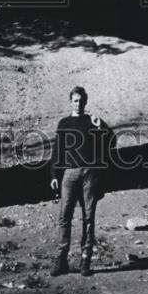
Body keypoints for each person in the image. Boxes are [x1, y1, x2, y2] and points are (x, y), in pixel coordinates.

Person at [49, 85, 114, 277]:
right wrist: (53, 175)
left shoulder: (92, 121)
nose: (78, 104)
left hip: (90, 173)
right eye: (75, 101)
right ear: (71, 102)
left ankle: (85, 260)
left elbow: (111, 141)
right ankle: (61, 261)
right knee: (64, 216)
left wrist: (101, 126)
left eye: (81, 101)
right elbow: (57, 151)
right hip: (69, 173)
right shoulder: (64, 123)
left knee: (88, 216)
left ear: (86, 102)